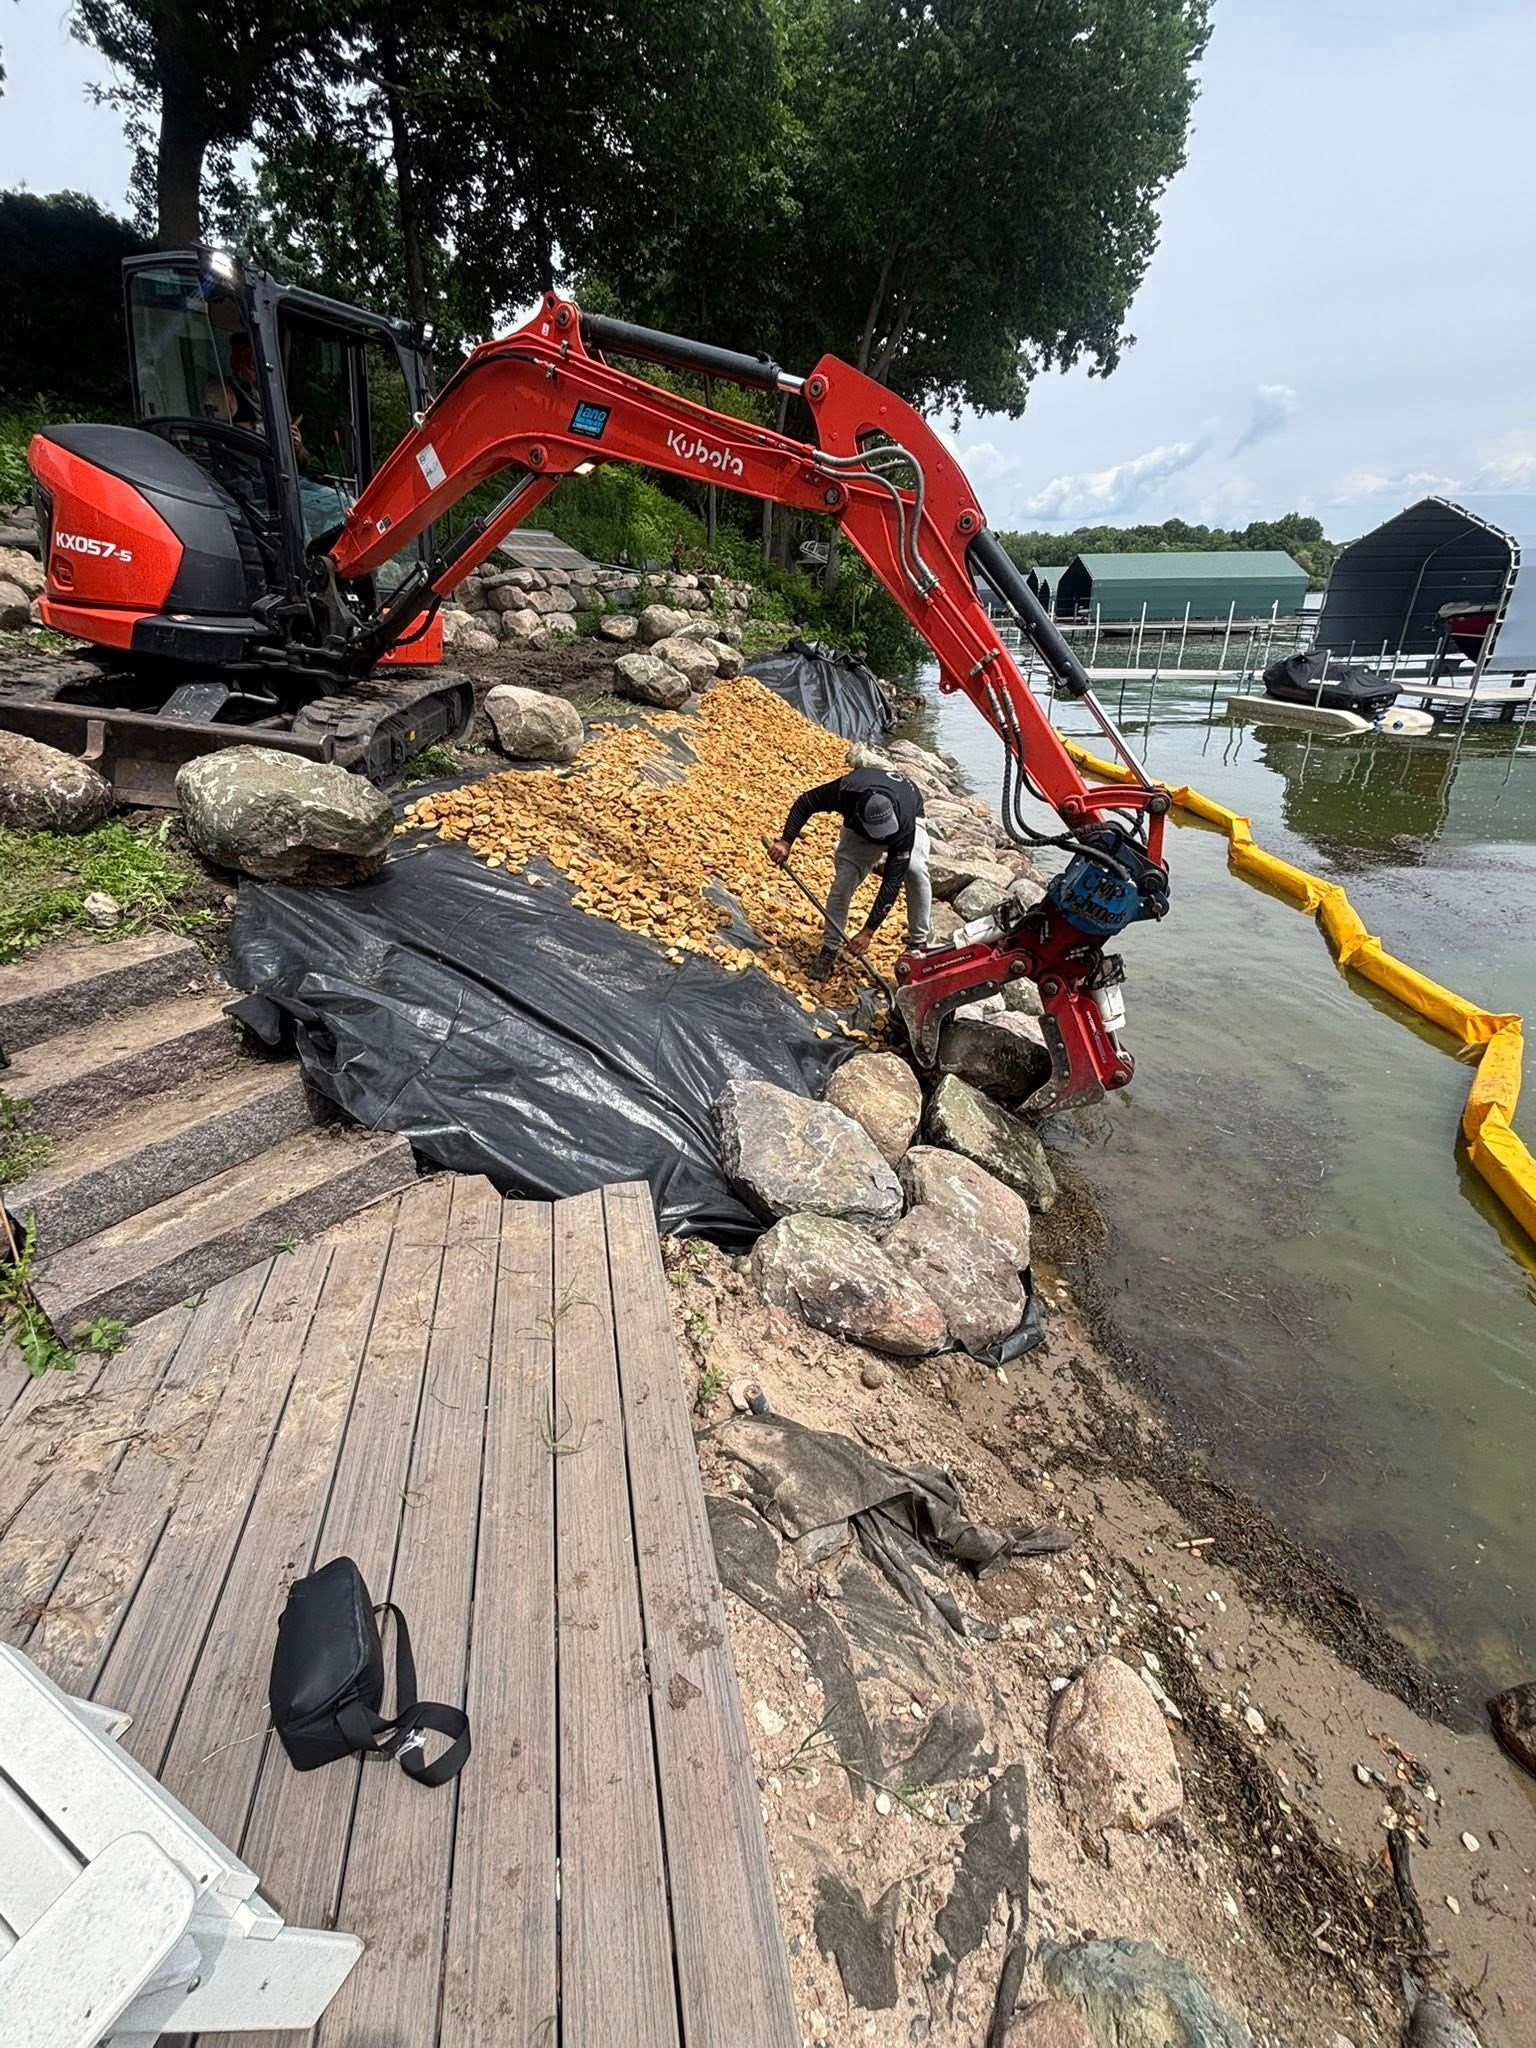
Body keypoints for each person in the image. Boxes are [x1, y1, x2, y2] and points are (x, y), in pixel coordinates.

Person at [769, 765, 931, 979]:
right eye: (878, 836)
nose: (882, 840)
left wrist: (868, 931)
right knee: (842, 885)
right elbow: (805, 803)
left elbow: (892, 882)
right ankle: (829, 948)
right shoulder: (844, 792)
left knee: (915, 869)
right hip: (859, 830)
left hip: (906, 819)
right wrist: (786, 841)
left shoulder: (903, 823)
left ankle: (918, 941)